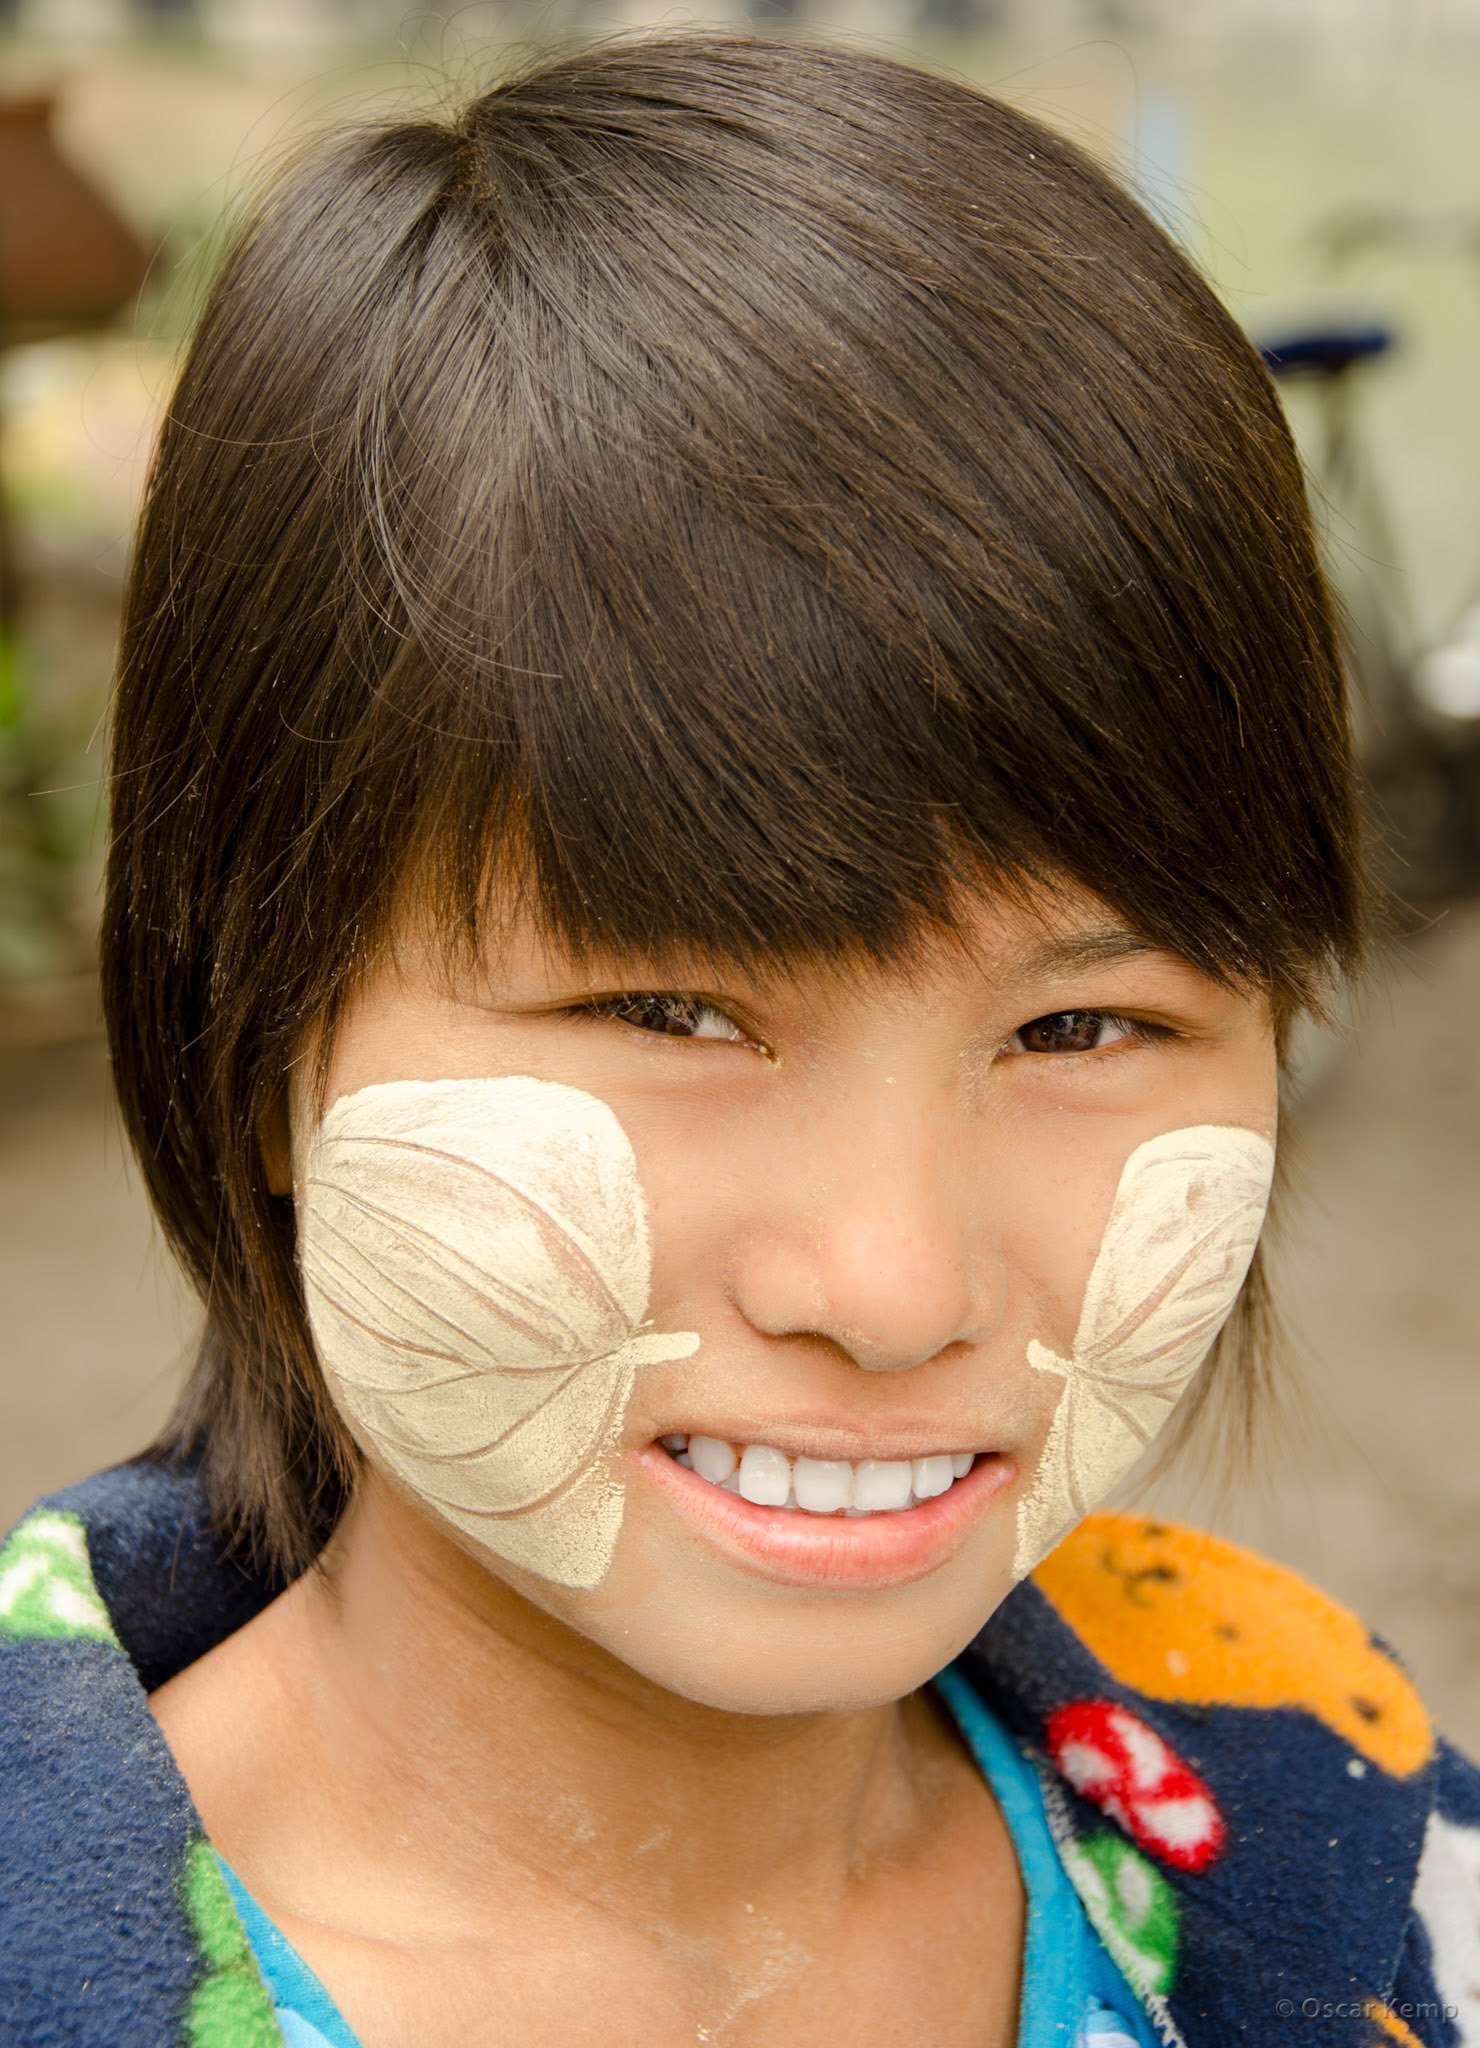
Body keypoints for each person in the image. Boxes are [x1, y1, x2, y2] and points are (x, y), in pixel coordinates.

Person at [1, 32, 1475, 2048]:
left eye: (1080, 1022)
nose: (887, 1285)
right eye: (668, 1007)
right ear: (256, 1032)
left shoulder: (1371, 1846)